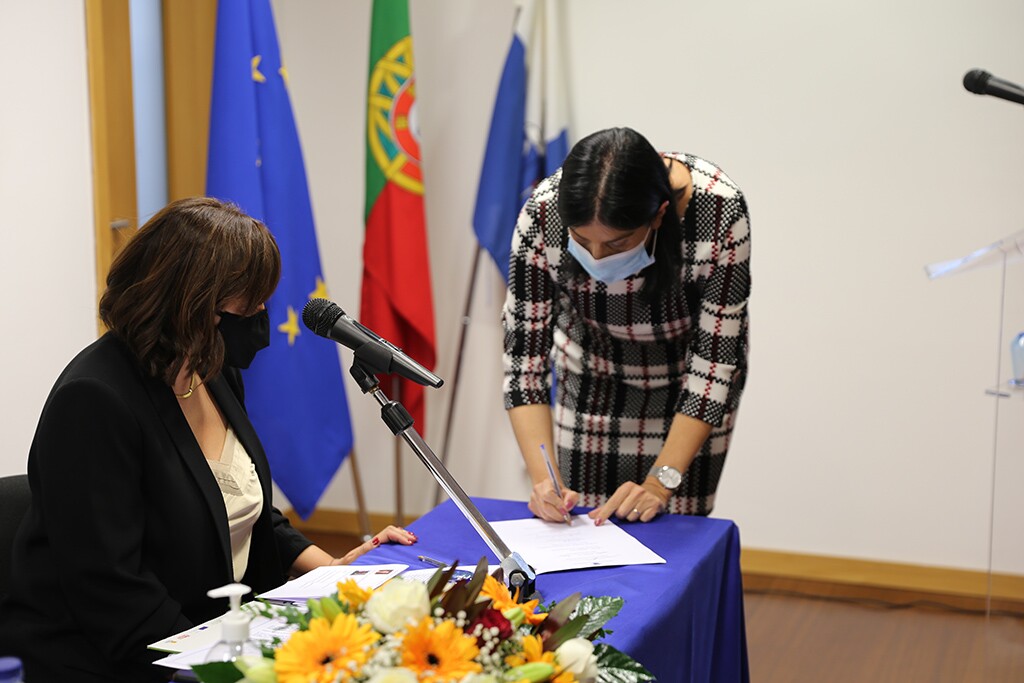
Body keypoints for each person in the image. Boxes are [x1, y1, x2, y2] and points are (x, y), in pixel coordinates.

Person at [0, 197, 416, 682]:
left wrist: (335, 570)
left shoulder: (209, 369)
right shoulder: (94, 400)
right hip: (110, 658)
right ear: (192, 302)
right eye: (250, 302)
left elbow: (243, 508)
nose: (261, 313)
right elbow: (110, 587)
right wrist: (225, 668)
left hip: (212, 630)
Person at [503, 127, 751, 526]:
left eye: (616, 244)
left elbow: (714, 366)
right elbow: (523, 363)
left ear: (659, 215)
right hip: (591, 376)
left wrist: (659, 484)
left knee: (672, 529)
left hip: (689, 386)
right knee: (581, 523)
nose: (597, 257)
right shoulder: (543, 213)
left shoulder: (719, 210)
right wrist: (543, 481)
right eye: (581, 240)